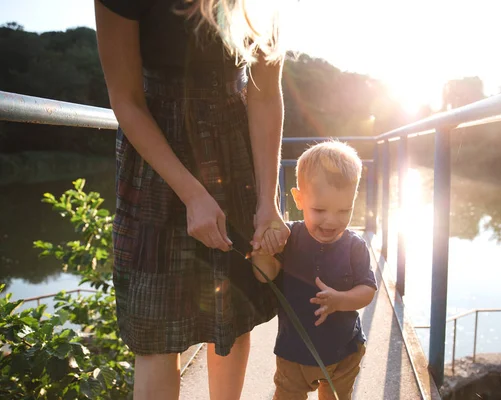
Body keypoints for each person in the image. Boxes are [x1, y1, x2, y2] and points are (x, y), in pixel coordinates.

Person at [94, 0, 290, 399]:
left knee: (232, 316)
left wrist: (267, 203)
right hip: (157, 151)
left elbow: (265, 93)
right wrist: (190, 193)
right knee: (156, 329)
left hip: (233, 149)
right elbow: (126, 98)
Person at [252, 141, 378, 400]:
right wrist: (262, 252)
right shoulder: (289, 237)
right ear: (299, 199)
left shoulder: (355, 247)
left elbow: (367, 291)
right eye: (319, 210)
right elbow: (265, 274)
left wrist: (340, 300)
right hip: (293, 351)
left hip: (343, 350)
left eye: (345, 210)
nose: (331, 221)